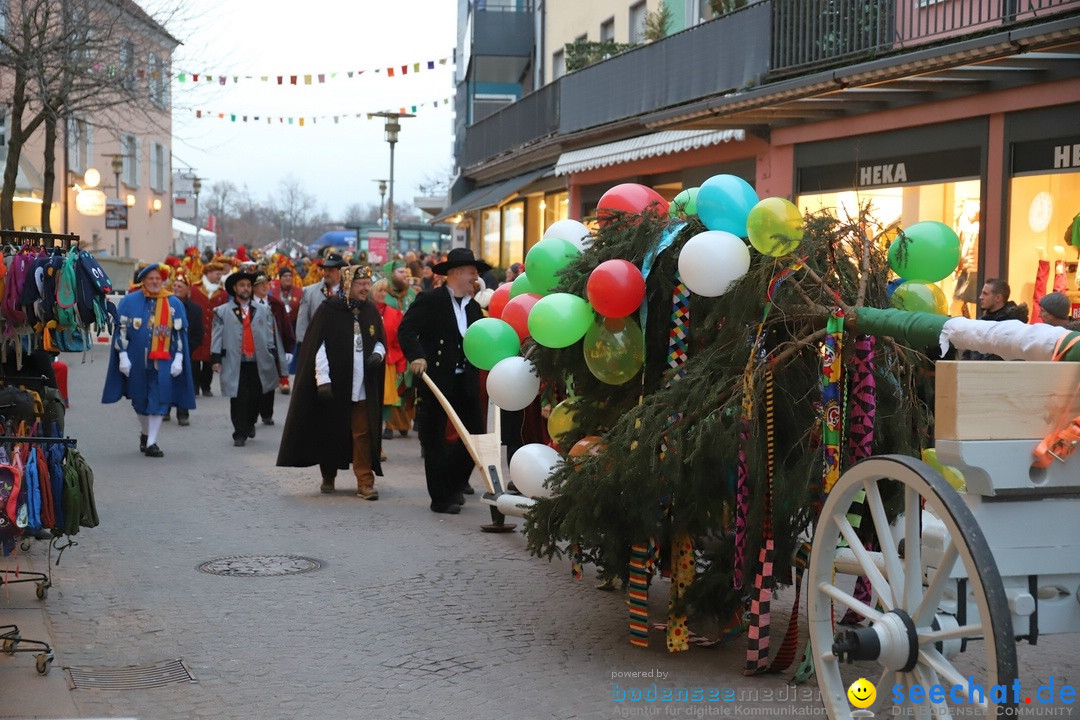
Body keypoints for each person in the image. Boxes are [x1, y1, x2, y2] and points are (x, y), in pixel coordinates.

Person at [277, 266, 386, 499]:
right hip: (336, 385)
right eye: (361, 284)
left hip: (362, 386)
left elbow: (379, 338)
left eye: (368, 283)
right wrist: (323, 380)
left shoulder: (370, 310)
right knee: (331, 430)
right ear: (348, 285)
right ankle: (329, 475)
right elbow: (319, 348)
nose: (367, 288)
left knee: (362, 433)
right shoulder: (329, 310)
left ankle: (365, 482)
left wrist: (378, 352)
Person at [398, 248, 490, 514]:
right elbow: (407, 330)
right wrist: (417, 356)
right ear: (455, 273)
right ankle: (440, 498)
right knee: (434, 438)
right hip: (437, 379)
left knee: (474, 436)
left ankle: (454, 484)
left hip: (465, 380)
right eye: (472, 272)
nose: (476, 276)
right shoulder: (431, 300)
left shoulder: (474, 307)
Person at [102, 264, 196, 457]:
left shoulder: (173, 303)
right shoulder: (129, 301)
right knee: (139, 402)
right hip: (136, 362)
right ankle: (145, 434)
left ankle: (152, 441)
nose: (155, 282)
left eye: (158, 279)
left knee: (160, 400)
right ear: (143, 281)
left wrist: (178, 358)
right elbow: (122, 331)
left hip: (163, 363)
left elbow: (179, 335)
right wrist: (123, 357)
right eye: (151, 279)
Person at [210, 272, 287, 447]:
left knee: (257, 396)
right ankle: (239, 432)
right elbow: (217, 336)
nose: (245, 288)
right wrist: (215, 358)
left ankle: (251, 422)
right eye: (241, 285)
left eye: (248, 285)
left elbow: (270, 335)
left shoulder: (263, 310)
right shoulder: (222, 311)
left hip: (258, 360)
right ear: (235, 289)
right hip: (235, 360)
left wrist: (275, 356)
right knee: (238, 397)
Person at [252, 273, 295, 425]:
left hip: (273, 349)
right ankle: (251, 415)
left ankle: (267, 413)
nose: (265, 287)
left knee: (270, 382)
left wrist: (289, 349)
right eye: (261, 284)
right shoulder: (248, 304)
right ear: (253, 287)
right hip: (254, 349)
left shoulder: (276, 304)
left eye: (267, 283)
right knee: (254, 384)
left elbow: (285, 328)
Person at [371, 278, 407, 444]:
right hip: (369, 363)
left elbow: (399, 343)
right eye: (380, 290)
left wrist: (401, 366)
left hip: (389, 363)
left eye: (385, 291)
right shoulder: (365, 312)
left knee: (386, 399)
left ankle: (387, 427)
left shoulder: (394, 314)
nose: (383, 294)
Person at [961, 278, 1028, 360]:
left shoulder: (1012, 326)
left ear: (998, 298)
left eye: (985, 294)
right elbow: (967, 352)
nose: (980, 297)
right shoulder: (980, 323)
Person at [169, 271, 204, 427]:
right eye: (174, 285)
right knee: (165, 381)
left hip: (185, 352)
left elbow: (198, 333)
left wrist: (186, 349)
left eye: (180, 286)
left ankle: (183, 414)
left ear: (188, 289)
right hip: (165, 350)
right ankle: (164, 410)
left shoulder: (195, 309)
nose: (176, 288)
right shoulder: (164, 304)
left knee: (183, 384)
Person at [190, 261, 229, 395]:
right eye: (217, 274)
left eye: (220, 274)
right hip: (196, 330)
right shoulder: (195, 289)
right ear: (208, 273)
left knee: (208, 361)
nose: (219, 277)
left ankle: (206, 386)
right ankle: (194, 386)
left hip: (213, 332)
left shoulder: (222, 293)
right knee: (194, 360)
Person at [295, 253, 345, 346]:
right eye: (325, 270)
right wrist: (303, 345)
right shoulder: (309, 291)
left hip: (342, 344)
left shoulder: (348, 292)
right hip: (316, 345)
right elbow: (302, 322)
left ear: (340, 272)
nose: (326, 273)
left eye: (330, 270)